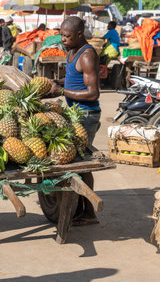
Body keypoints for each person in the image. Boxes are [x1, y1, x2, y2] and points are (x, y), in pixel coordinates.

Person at [45, 16, 100, 226]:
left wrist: (63, 91)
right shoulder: (71, 52)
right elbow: (74, 81)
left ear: (79, 35)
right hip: (74, 113)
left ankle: (89, 213)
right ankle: (80, 208)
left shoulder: (86, 56)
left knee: (83, 165)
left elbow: (93, 93)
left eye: (67, 36)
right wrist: (57, 84)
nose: (63, 39)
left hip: (86, 115)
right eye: (61, 35)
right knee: (78, 164)